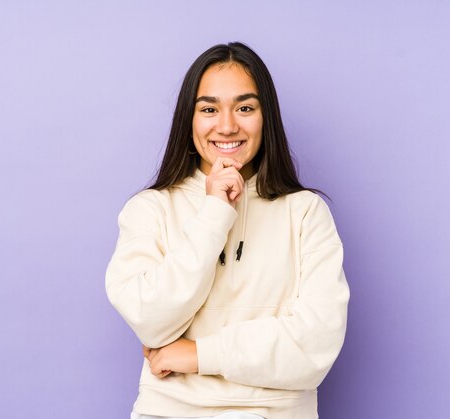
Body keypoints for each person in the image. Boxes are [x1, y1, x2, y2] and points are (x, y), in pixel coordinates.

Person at [105, 42, 350, 419]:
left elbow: (314, 346)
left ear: (265, 117)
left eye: (245, 108)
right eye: (209, 109)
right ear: (189, 118)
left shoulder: (305, 212)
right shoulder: (149, 210)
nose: (227, 126)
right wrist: (215, 212)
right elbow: (150, 320)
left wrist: (196, 354)